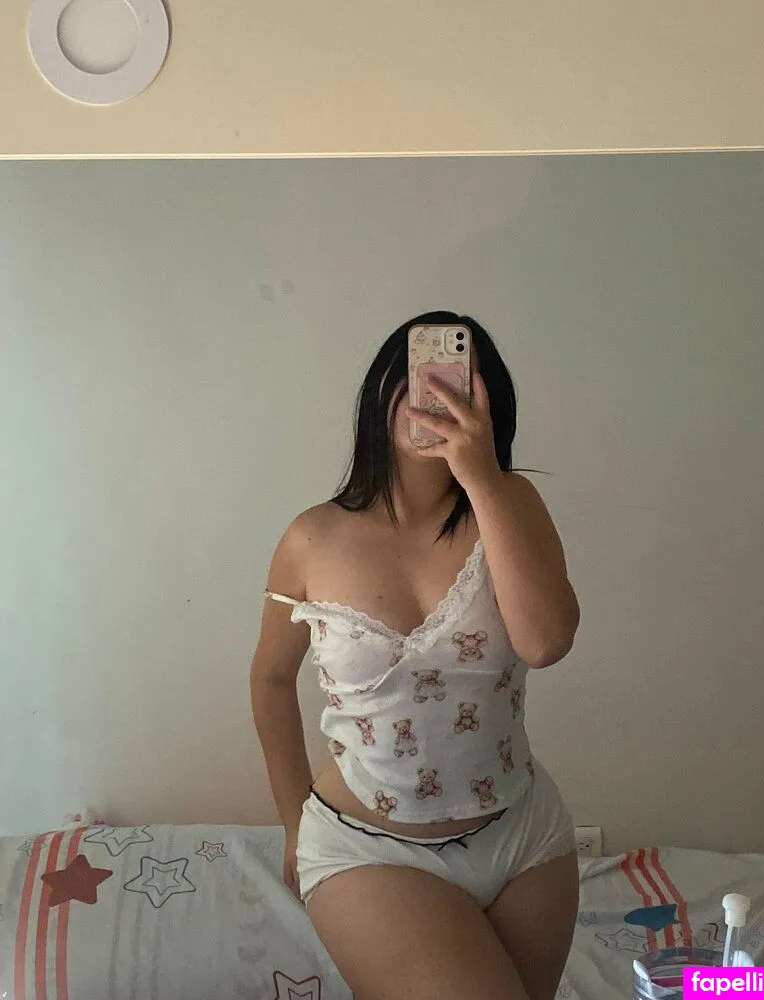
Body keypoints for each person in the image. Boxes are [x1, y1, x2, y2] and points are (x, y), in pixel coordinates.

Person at [250, 312, 581, 1000]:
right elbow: (271, 678)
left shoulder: (513, 503)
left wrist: (482, 480)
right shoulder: (311, 539)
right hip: (368, 847)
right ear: (381, 393)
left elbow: (546, 642)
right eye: (418, 376)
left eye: (458, 380)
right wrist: (291, 823)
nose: (435, 396)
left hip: (523, 837)